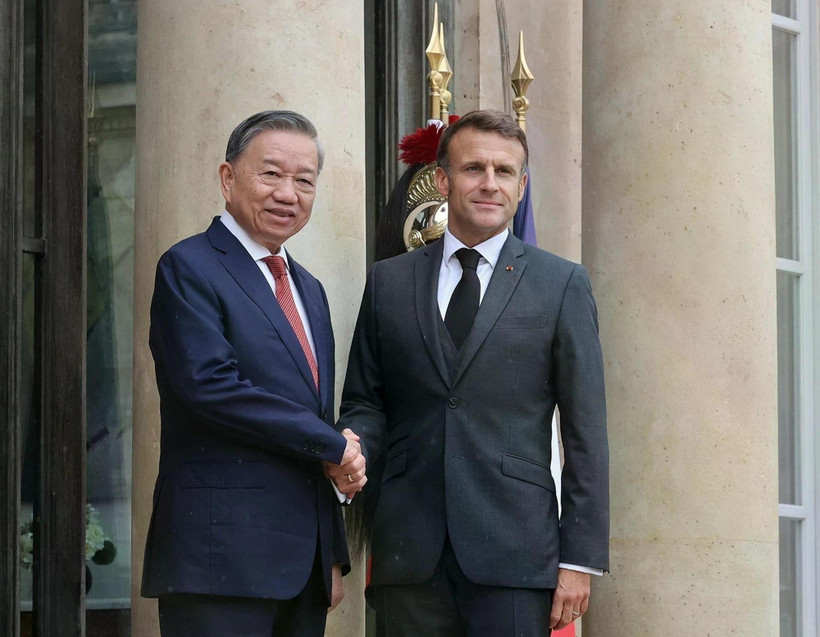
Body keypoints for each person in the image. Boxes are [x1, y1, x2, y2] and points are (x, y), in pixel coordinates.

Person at [339, 110, 609, 636]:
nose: (490, 184)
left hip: (516, 555)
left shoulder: (561, 284)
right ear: (443, 179)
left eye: (504, 172)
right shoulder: (388, 282)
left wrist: (580, 558)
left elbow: (586, 433)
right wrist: (351, 450)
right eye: (473, 169)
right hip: (406, 555)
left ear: (522, 185)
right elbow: (365, 402)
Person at [141, 110, 366, 637]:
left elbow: (317, 415)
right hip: (219, 562)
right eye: (270, 174)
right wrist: (333, 445)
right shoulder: (189, 266)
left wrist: (329, 552)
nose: (288, 193)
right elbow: (209, 388)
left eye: (304, 181)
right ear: (227, 177)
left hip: (302, 569)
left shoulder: (308, 288)